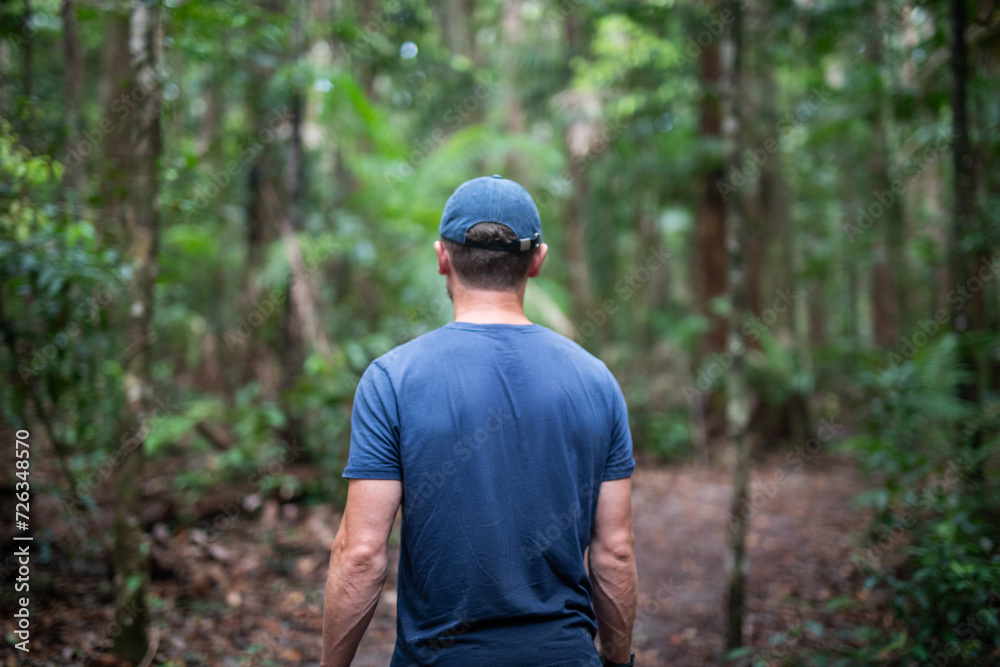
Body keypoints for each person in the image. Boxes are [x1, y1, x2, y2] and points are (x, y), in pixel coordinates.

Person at [321, 175, 638, 667]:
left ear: (442, 256)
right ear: (537, 261)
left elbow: (361, 554)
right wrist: (619, 662)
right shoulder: (595, 380)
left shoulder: (393, 380)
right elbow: (614, 552)